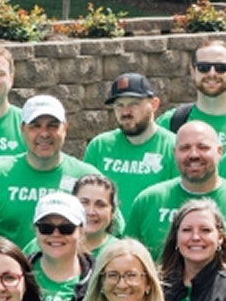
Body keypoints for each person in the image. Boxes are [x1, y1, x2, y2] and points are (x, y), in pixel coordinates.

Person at [0, 95, 101, 249]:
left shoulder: (88, 178)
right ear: (22, 130)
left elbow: (111, 232)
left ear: (65, 128)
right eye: (35, 126)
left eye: (52, 126)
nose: (44, 133)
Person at [83, 73, 176, 222]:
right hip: (110, 241)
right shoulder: (99, 146)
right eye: (119, 105)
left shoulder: (174, 147)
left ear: (154, 104)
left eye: (134, 103)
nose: (125, 112)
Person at [125, 121, 226, 258]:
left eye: (203, 147)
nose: (193, 155)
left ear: (219, 152)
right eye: (185, 148)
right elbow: (128, 259)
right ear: (174, 153)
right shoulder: (149, 200)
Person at [27, 192, 94, 301]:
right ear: (35, 230)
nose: (56, 234)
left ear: (81, 231)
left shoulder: (98, 279)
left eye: (66, 228)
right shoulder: (16, 275)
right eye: (46, 227)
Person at [158, 39, 226, 163]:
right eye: (203, 67)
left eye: (221, 67)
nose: (212, 73)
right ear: (192, 71)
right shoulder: (170, 122)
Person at [73, 174, 119, 259]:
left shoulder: (120, 252)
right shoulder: (56, 246)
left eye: (100, 205)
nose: (91, 212)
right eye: (84, 202)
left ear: (112, 212)